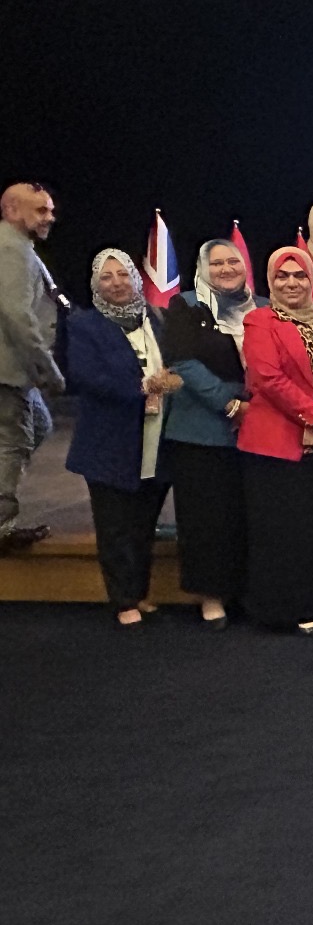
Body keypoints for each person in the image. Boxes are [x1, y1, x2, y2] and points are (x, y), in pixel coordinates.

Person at [65, 250, 182, 627]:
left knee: (144, 523)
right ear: (96, 284)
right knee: (115, 525)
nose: (116, 283)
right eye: (106, 277)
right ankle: (123, 600)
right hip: (108, 443)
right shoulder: (84, 324)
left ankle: (140, 592)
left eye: (123, 274)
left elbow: (175, 363)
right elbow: (85, 376)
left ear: (135, 277)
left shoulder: (159, 319)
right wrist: (143, 388)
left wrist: (173, 381)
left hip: (157, 441)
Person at [238, 247, 313, 635]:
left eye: (300, 275)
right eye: (283, 276)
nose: (292, 283)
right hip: (277, 445)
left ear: (312, 279)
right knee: (281, 531)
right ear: (270, 281)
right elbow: (267, 379)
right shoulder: (260, 321)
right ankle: (280, 611)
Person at [160, 238, 265, 627]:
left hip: (258, 427)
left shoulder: (264, 306)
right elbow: (183, 363)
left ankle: (247, 591)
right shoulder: (186, 306)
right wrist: (230, 403)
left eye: (232, 262)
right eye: (216, 263)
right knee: (207, 518)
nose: (226, 269)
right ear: (203, 269)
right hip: (201, 430)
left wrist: (258, 406)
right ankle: (211, 597)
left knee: (249, 515)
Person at [0, 181, 67, 553]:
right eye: (40, 210)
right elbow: (17, 316)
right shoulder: (12, 250)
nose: (50, 217)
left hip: (14, 371)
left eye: (50, 210)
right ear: (12, 210)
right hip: (9, 371)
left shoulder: (16, 248)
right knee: (14, 441)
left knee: (36, 426)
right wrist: (48, 370)